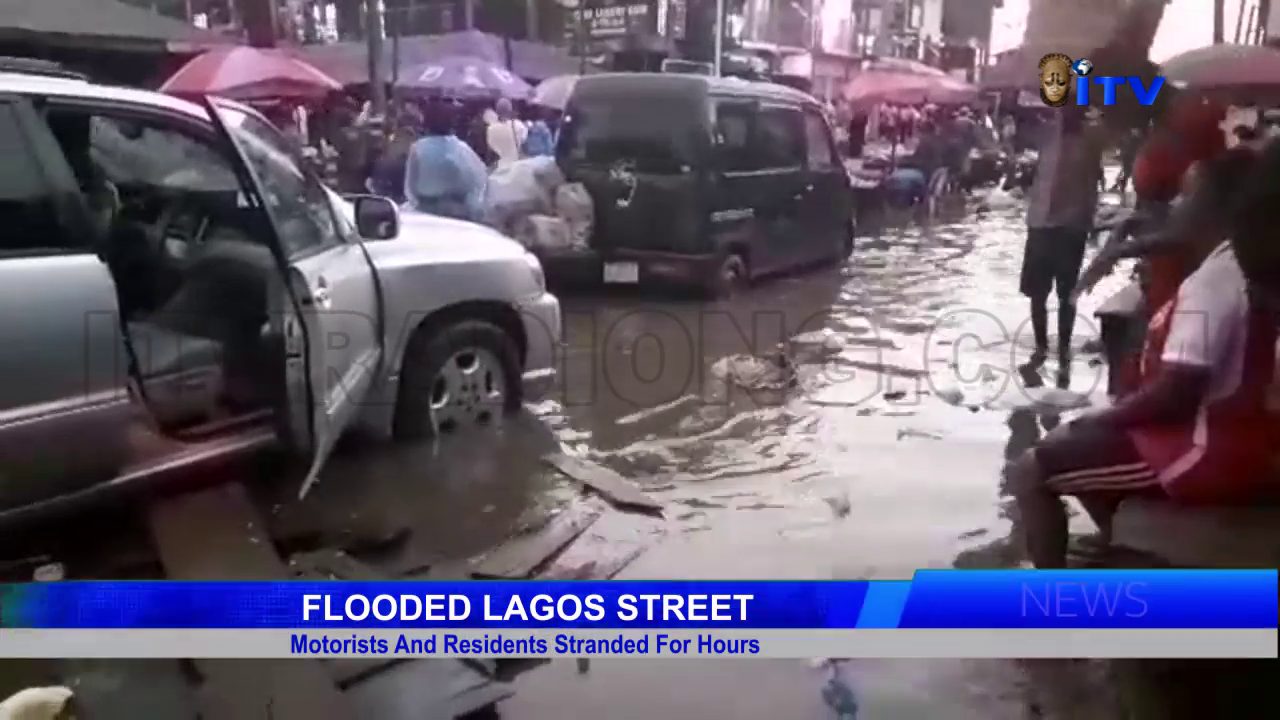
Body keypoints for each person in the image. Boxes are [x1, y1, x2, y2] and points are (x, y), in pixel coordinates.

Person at [1008, 140, 1280, 569]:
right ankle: (1113, 542)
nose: (1176, 205)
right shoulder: (1233, 266)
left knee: (1030, 469)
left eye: (1188, 196)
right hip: (1235, 435)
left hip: (1202, 451)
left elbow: (1178, 393)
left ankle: (1049, 599)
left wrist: (1100, 419)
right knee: (1084, 442)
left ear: (1214, 209)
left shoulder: (1212, 282)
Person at [1021, 103, 1106, 365]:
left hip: (1065, 226)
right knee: (1043, 293)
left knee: (1062, 293)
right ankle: (1044, 348)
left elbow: (1092, 185)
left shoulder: (1088, 142)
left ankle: (1058, 348)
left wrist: (1090, 221)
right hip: (1046, 225)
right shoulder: (1049, 137)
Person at [403, 101, 488, 222]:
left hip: (425, 213)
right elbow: (480, 178)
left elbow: (410, 188)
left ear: (426, 123)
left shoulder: (417, 148)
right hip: (459, 214)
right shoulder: (461, 148)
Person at [486, 98, 528, 168]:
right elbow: (524, 142)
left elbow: (490, 148)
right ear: (510, 110)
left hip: (500, 167)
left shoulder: (491, 129)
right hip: (517, 165)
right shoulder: (519, 125)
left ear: (496, 111)